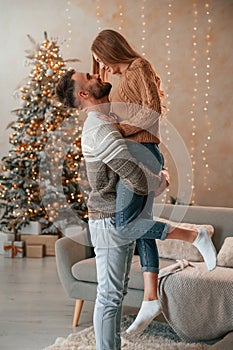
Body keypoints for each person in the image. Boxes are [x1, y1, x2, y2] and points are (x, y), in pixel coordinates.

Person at [56, 70, 217, 349]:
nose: (96, 74)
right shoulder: (99, 128)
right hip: (107, 219)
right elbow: (132, 174)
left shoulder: (107, 119)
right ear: (83, 93)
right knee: (109, 297)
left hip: (115, 214)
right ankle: (194, 235)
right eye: (89, 76)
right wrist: (161, 181)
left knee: (114, 294)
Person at [90, 29, 171, 333]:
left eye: (102, 59)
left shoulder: (139, 67)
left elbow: (152, 111)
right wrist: (100, 72)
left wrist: (119, 129)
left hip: (144, 152)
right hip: (138, 153)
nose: (102, 66)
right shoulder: (124, 76)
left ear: (112, 50)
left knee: (126, 224)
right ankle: (151, 297)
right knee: (141, 225)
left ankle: (192, 234)